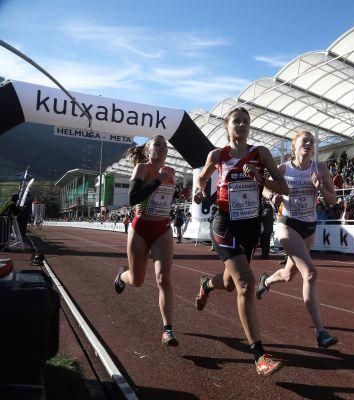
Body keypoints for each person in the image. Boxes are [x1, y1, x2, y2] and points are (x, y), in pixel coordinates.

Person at [192, 107, 289, 376]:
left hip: (250, 225)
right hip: (223, 222)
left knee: (230, 282)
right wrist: (200, 191)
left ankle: (206, 284)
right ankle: (259, 356)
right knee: (245, 283)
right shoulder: (218, 155)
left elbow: (284, 188)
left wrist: (261, 178)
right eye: (237, 121)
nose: (243, 125)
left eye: (246, 121)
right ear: (227, 126)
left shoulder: (261, 154)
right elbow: (202, 178)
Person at [255, 130, 339, 348]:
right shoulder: (283, 168)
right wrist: (272, 195)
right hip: (287, 224)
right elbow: (263, 187)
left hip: (309, 227)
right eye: (305, 141)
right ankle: (321, 332)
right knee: (310, 273)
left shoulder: (319, 168)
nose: (309, 144)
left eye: (312, 142)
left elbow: (333, 199)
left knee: (288, 275)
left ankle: (266, 281)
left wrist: (320, 188)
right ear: (294, 146)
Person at [113, 135, 179, 347]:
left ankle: (167, 329)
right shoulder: (143, 168)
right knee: (138, 280)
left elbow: (166, 199)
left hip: (162, 229)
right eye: (157, 144)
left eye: (164, 145)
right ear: (148, 150)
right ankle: (122, 276)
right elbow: (133, 199)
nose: (161, 148)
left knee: (164, 279)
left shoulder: (172, 172)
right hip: (140, 229)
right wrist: (158, 180)